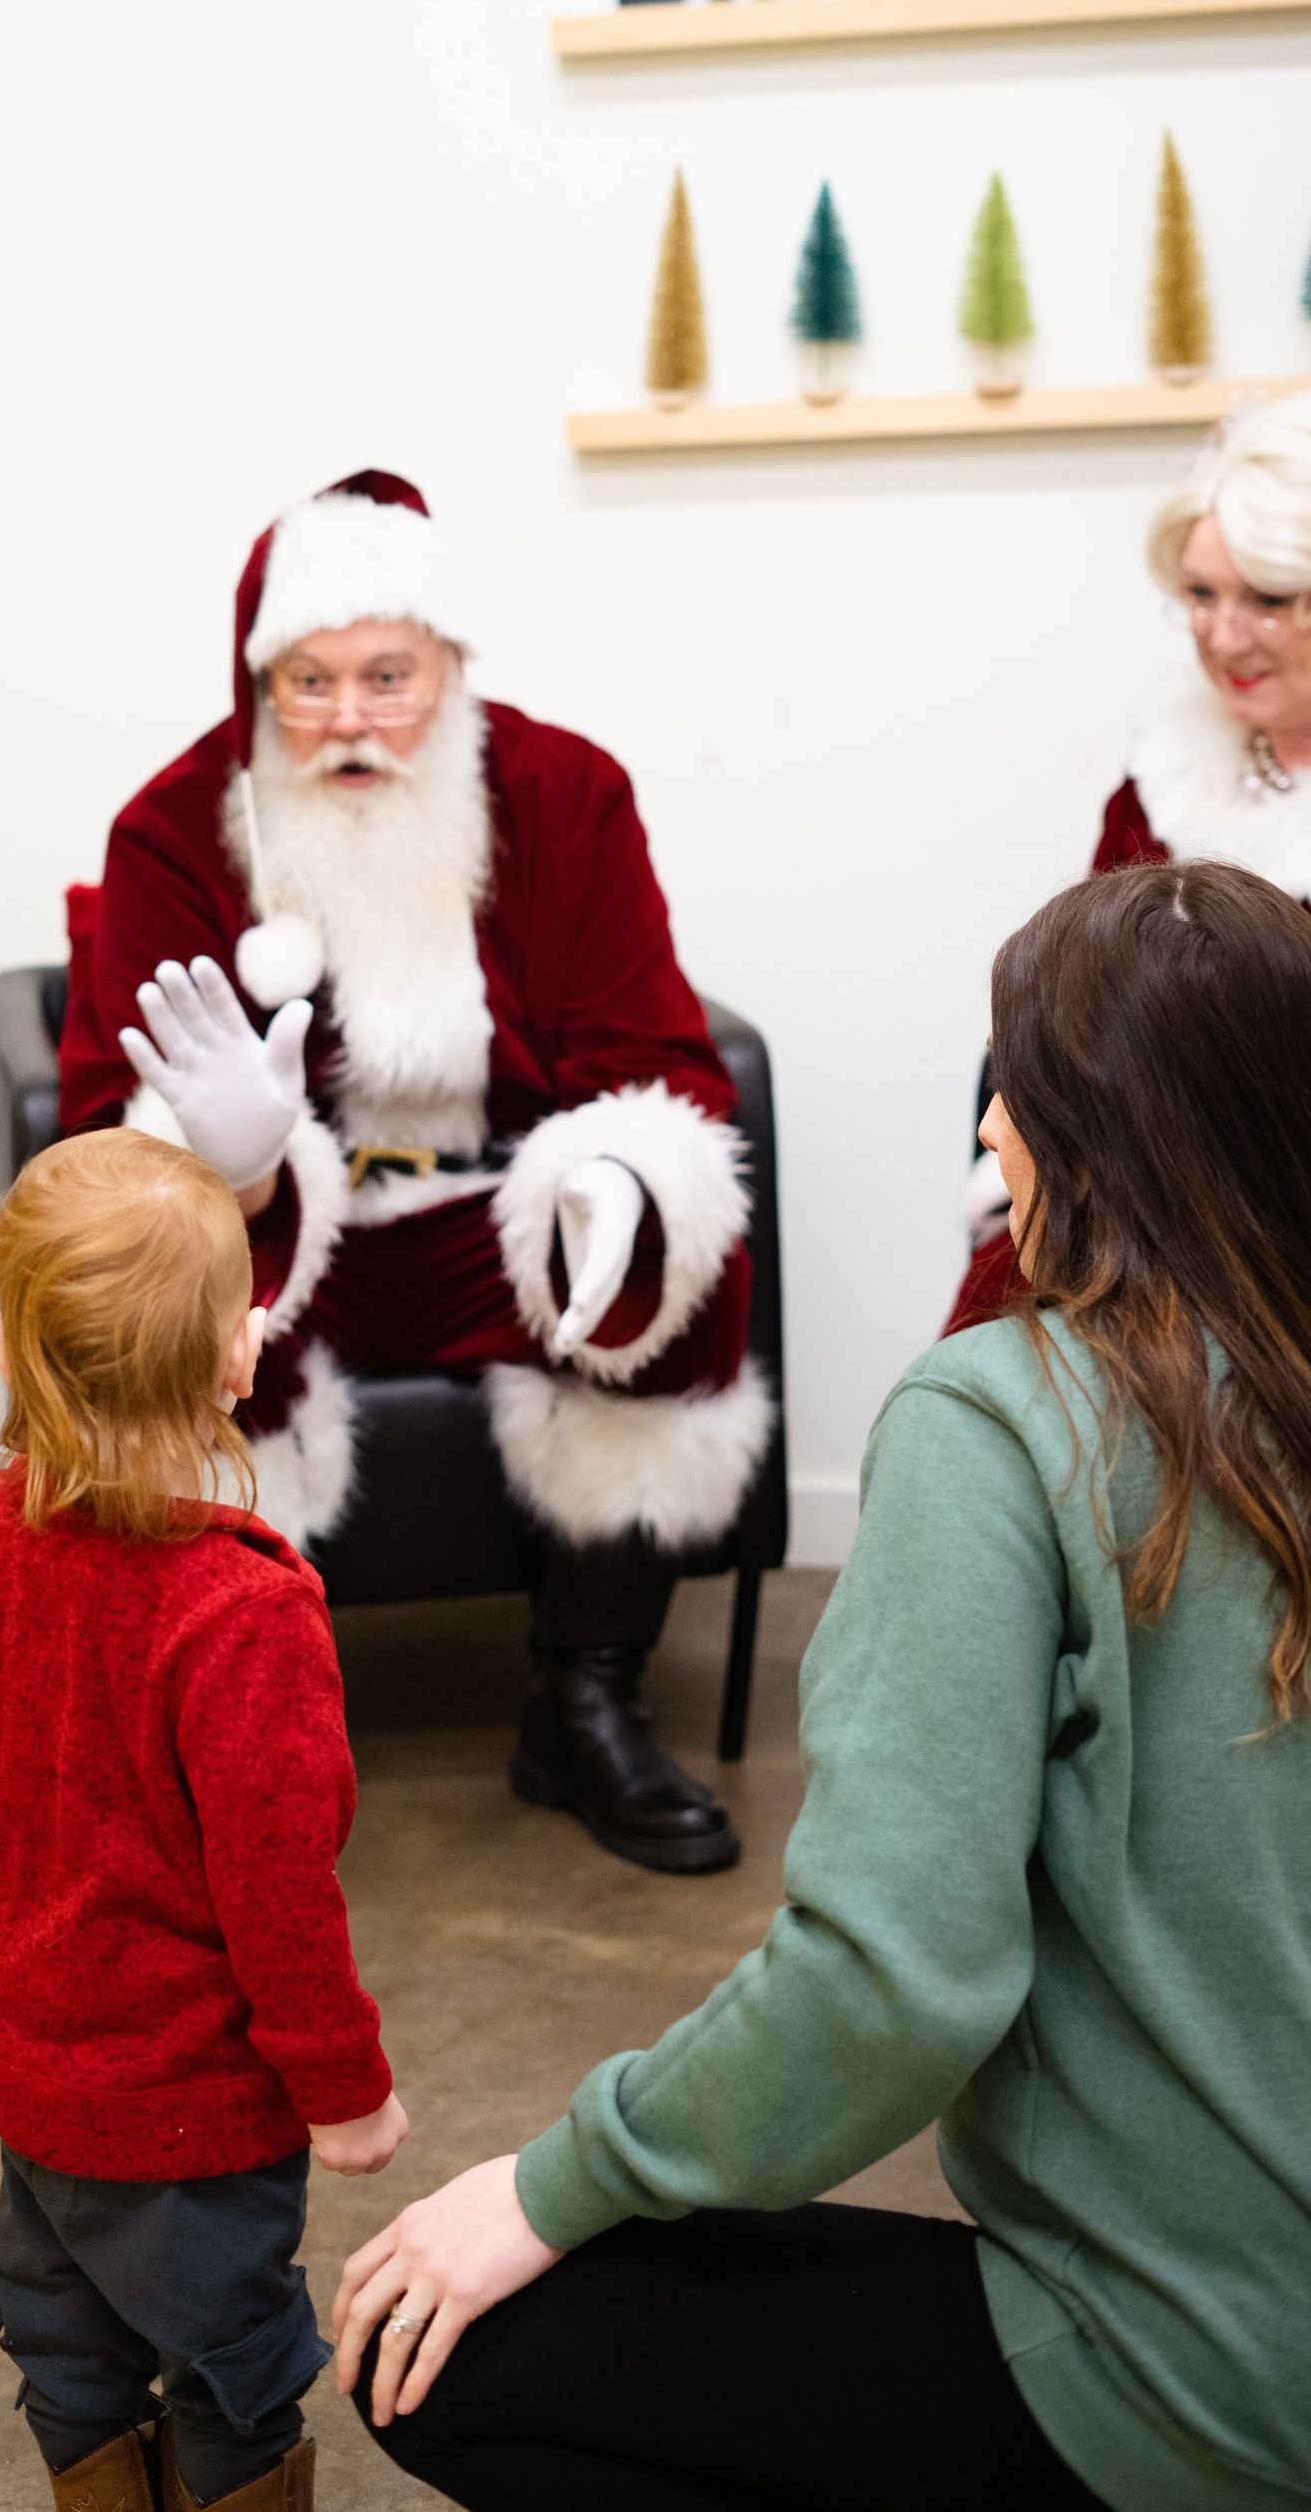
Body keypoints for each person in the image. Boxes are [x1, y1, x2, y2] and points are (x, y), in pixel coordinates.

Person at [333, 860, 1311, 2512]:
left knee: (427, 2346)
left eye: (1007, 1084)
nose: (988, 1121)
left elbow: (892, 1977)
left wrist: (559, 2181)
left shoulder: (1005, 1422)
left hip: (1195, 2378)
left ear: (1043, 1129)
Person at [58, 470, 767, 1875]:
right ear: (262, 681)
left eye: (389, 675)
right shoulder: (174, 823)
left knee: (672, 1255)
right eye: (308, 683)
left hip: (490, 1208)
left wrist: (621, 1177)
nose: (349, 720)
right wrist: (229, 1158)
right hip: (275, 1225)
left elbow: (655, 1047)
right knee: (166, 1299)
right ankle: (219, 1731)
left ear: (451, 662)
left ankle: (584, 1694)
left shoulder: (566, 792)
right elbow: (98, 1117)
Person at [0, 1127, 403, 2512]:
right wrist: (342, 2082)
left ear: (4, 1344)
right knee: (233, 2369)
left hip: (37, 2081)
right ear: (244, 1350)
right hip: (202, 2117)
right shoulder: (246, 1609)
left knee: (66, 2349)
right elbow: (278, 1886)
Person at [956, 389, 1311, 1320]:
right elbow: (1078, 995)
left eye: (1269, 601)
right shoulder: (1162, 775)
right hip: (1123, 1197)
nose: (1223, 636)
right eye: (1201, 593)